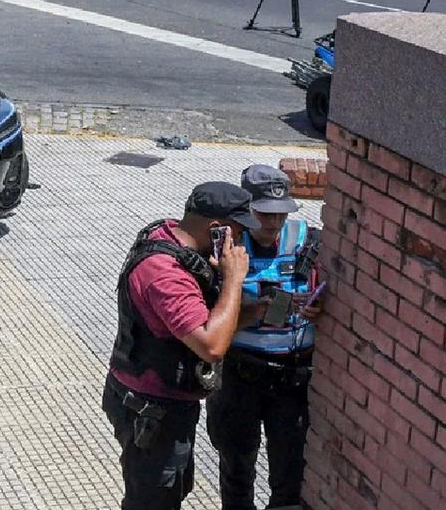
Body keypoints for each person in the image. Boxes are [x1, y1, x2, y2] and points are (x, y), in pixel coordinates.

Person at [104, 182, 257, 510]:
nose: (243, 242)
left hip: (164, 403)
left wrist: (254, 313)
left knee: (174, 487)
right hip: (151, 410)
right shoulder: (165, 274)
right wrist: (233, 279)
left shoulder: (173, 237)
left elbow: (199, 324)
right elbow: (212, 346)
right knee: (152, 500)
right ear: (217, 230)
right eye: (239, 232)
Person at [206, 165, 323, 510]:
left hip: (291, 380)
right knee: (236, 471)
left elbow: (328, 290)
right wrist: (254, 311)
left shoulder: (310, 241)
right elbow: (206, 320)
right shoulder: (222, 249)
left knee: (289, 476)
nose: (273, 224)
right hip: (239, 378)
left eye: (281, 214)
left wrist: (318, 307)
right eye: (263, 214)